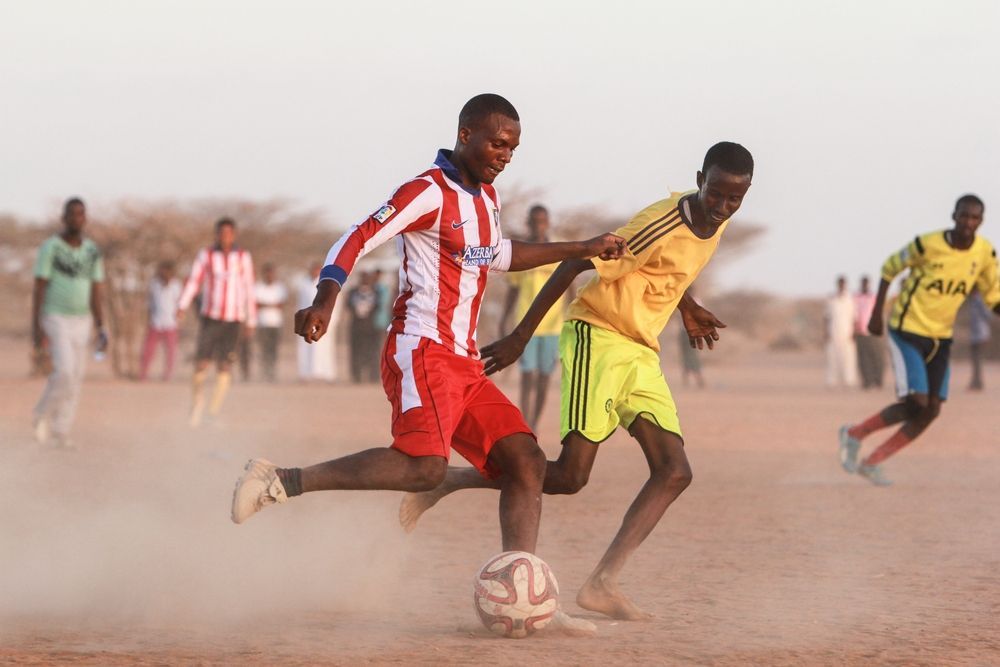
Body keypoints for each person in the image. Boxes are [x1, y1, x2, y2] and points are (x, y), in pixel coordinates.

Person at [229, 94, 624, 632]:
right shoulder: (425, 192)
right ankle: (280, 479)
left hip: (463, 360)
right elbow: (358, 235)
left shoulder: (486, 198)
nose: (505, 154)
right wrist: (327, 297)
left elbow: (499, 256)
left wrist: (585, 245)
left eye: (513, 146)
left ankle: (528, 594)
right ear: (464, 134)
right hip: (421, 348)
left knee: (527, 463)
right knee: (423, 468)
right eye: (495, 142)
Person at [399, 142, 752, 621]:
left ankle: (603, 582)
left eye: (736, 199)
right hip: (599, 337)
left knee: (674, 471)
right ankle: (449, 481)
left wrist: (687, 308)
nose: (724, 207)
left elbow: (668, 265)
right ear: (699, 179)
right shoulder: (661, 220)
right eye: (717, 195)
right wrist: (522, 337)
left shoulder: (718, 219)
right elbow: (575, 263)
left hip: (642, 350)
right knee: (569, 477)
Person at [839, 194, 1000, 485]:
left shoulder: (985, 254)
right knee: (916, 400)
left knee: (932, 409)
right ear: (953, 215)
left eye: (974, 217)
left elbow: (993, 296)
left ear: (981, 221)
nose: (967, 222)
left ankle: (872, 460)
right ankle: (855, 433)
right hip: (908, 331)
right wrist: (877, 314)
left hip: (941, 337)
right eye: (963, 215)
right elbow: (890, 268)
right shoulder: (927, 245)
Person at [31, 198, 107, 449]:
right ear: (64, 218)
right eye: (72, 214)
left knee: (76, 376)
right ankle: (42, 413)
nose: (77, 219)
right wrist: (36, 325)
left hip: (82, 319)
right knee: (63, 371)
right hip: (55, 316)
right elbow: (40, 286)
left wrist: (101, 325)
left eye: (81, 214)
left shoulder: (92, 251)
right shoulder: (50, 247)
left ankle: (61, 430)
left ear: (85, 218)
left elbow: (96, 289)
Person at [176, 217, 257, 426]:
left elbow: (248, 287)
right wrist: (182, 304)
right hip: (210, 317)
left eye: (229, 233)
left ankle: (213, 412)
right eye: (221, 233)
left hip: (234, 319)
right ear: (216, 235)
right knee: (201, 363)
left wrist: (251, 319)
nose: (225, 237)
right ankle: (196, 405)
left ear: (234, 235)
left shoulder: (242, 257)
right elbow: (195, 281)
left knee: (225, 365)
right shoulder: (207, 255)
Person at [499, 205, 566, 431]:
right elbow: (513, 290)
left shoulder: (558, 250)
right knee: (527, 376)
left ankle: (535, 423)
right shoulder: (522, 252)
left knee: (544, 378)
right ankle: (525, 423)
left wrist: (573, 320)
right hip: (526, 325)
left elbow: (571, 286)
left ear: (547, 222)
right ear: (528, 223)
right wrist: (503, 319)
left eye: (542, 221)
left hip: (553, 326)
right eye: (534, 221)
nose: (539, 225)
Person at [139, 260, 181, 382]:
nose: (164, 274)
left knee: (171, 352)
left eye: (167, 271)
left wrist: (179, 320)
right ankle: (143, 374)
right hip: (155, 323)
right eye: (162, 271)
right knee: (148, 350)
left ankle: (168, 375)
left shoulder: (176, 286)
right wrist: (148, 319)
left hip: (171, 324)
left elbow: (179, 304)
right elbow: (150, 303)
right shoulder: (154, 284)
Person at [296, 262, 338, 382]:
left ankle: (327, 374)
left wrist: (332, 319)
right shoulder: (304, 284)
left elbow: (334, 304)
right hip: (307, 319)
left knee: (325, 347)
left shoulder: (328, 284)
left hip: (323, 320)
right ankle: (305, 373)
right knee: (305, 345)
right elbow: (300, 303)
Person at [255, 263, 288, 383]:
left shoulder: (280, 287)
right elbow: (256, 304)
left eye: (271, 273)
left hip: (275, 324)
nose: (269, 275)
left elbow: (281, 305)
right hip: (262, 323)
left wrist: (265, 304)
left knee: (273, 350)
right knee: (263, 349)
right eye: (267, 273)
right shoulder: (258, 287)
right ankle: (264, 372)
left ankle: (272, 373)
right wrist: (271, 305)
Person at [346, 270, 381, 383]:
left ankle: (373, 376)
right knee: (356, 352)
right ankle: (357, 377)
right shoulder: (353, 292)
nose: (366, 281)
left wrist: (367, 310)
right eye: (364, 278)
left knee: (372, 352)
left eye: (368, 278)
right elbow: (348, 305)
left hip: (371, 328)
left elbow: (378, 306)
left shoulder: (376, 292)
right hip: (356, 327)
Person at [824, 275, 858, 388]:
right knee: (832, 357)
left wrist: (854, 333)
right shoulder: (831, 299)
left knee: (848, 357)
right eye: (840, 283)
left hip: (847, 332)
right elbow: (826, 317)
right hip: (833, 331)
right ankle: (831, 380)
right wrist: (825, 332)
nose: (841, 285)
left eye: (843, 283)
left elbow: (854, 317)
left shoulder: (850, 299)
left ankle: (849, 380)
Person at [853, 275, 884, 389]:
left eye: (866, 283)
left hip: (873, 331)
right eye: (863, 283)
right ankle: (867, 380)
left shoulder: (873, 297)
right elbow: (853, 314)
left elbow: (879, 313)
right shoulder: (856, 298)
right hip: (860, 332)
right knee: (863, 358)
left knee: (876, 356)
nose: (864, 285)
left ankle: (878, 380)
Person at [967, 289, 991, 390]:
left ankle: (978, 382)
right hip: (974, 335)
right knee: (975, 360)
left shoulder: (979, 301)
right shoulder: (973, 301)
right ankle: (975, 381)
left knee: (977, 359)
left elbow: (987, 315)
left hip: (980, 334)